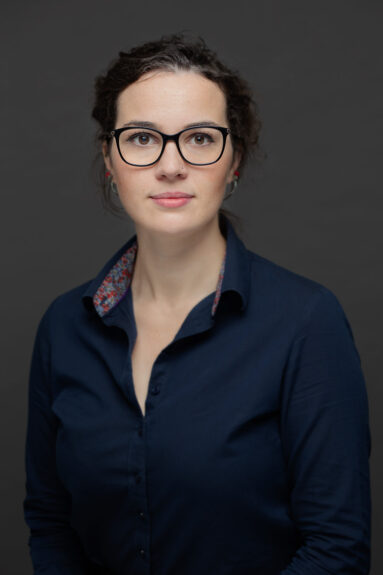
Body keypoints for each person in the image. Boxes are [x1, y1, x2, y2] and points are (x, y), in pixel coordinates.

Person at [23, 34, 371, 575]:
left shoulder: (306, 321)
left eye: (200, 138)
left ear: (234, 161)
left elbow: (336, 546)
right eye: (142, 138)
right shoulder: (64, 326)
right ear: (110, 161)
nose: (170, 165)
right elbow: (50, 522)